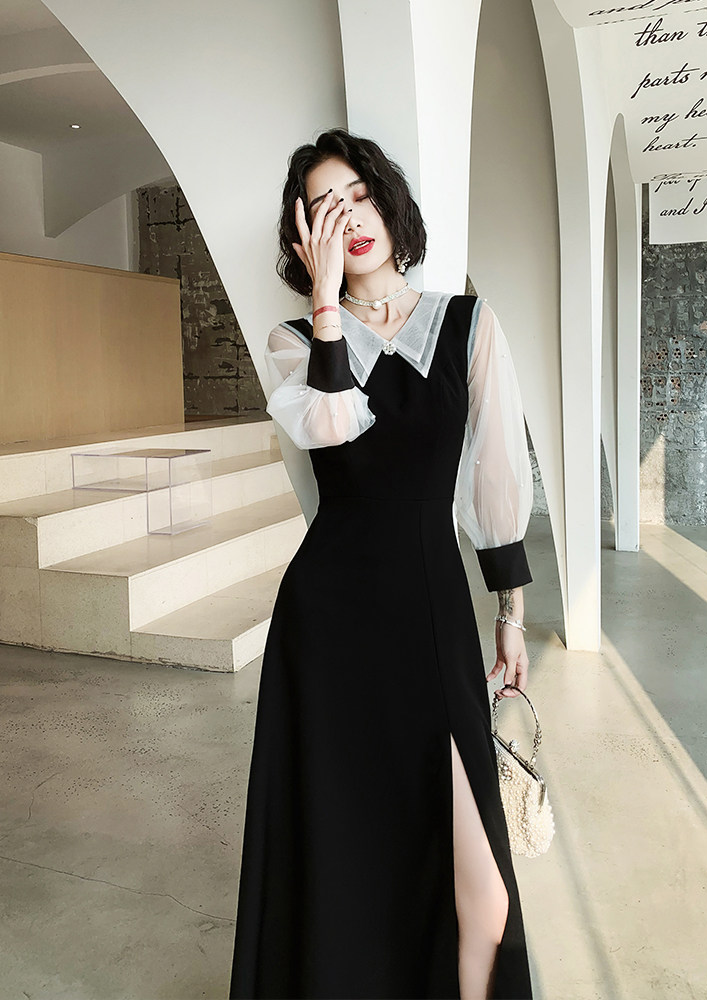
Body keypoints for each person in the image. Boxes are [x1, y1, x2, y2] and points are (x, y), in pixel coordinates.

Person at [229, 127, 534, 1000]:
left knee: (484, 899)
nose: (348, 219)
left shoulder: (466, 323)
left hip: (431, 614)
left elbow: (494, 475)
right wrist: (328, 304)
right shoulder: (295, 341)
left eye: (357, 196)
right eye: (324, 210)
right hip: (330, 631)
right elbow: (335, 435)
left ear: (390, 201)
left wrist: (510, 613)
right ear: (304, 238)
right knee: (349, 863)